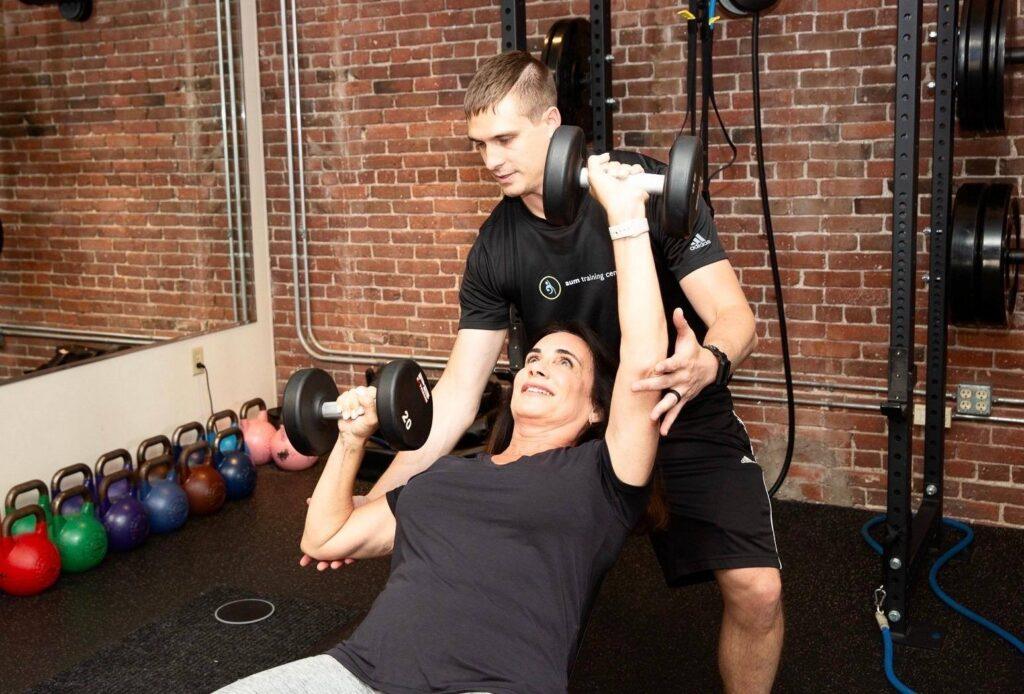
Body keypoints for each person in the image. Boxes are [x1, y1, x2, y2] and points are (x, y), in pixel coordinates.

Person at [351, 51, 784, 693]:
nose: (491, 158)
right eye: (479, 145)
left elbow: (734, 316)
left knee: (758, 590)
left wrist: (709, 362)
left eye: (505, 138)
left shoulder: (642, 185)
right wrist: (371, 502)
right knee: (502, 576)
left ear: (553, 122)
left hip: (676, 406)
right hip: (571, 429)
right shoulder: (496, 247)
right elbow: (457, 397)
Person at [220, 154, 666, 693]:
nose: (539, 365)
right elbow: (325, 539)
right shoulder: (442, 478)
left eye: (563, 362)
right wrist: (352, 439)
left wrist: (626, 216)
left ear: (599, 408)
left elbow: (643, 358)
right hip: (358, 675)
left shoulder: (600, 477)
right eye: (533, 358)